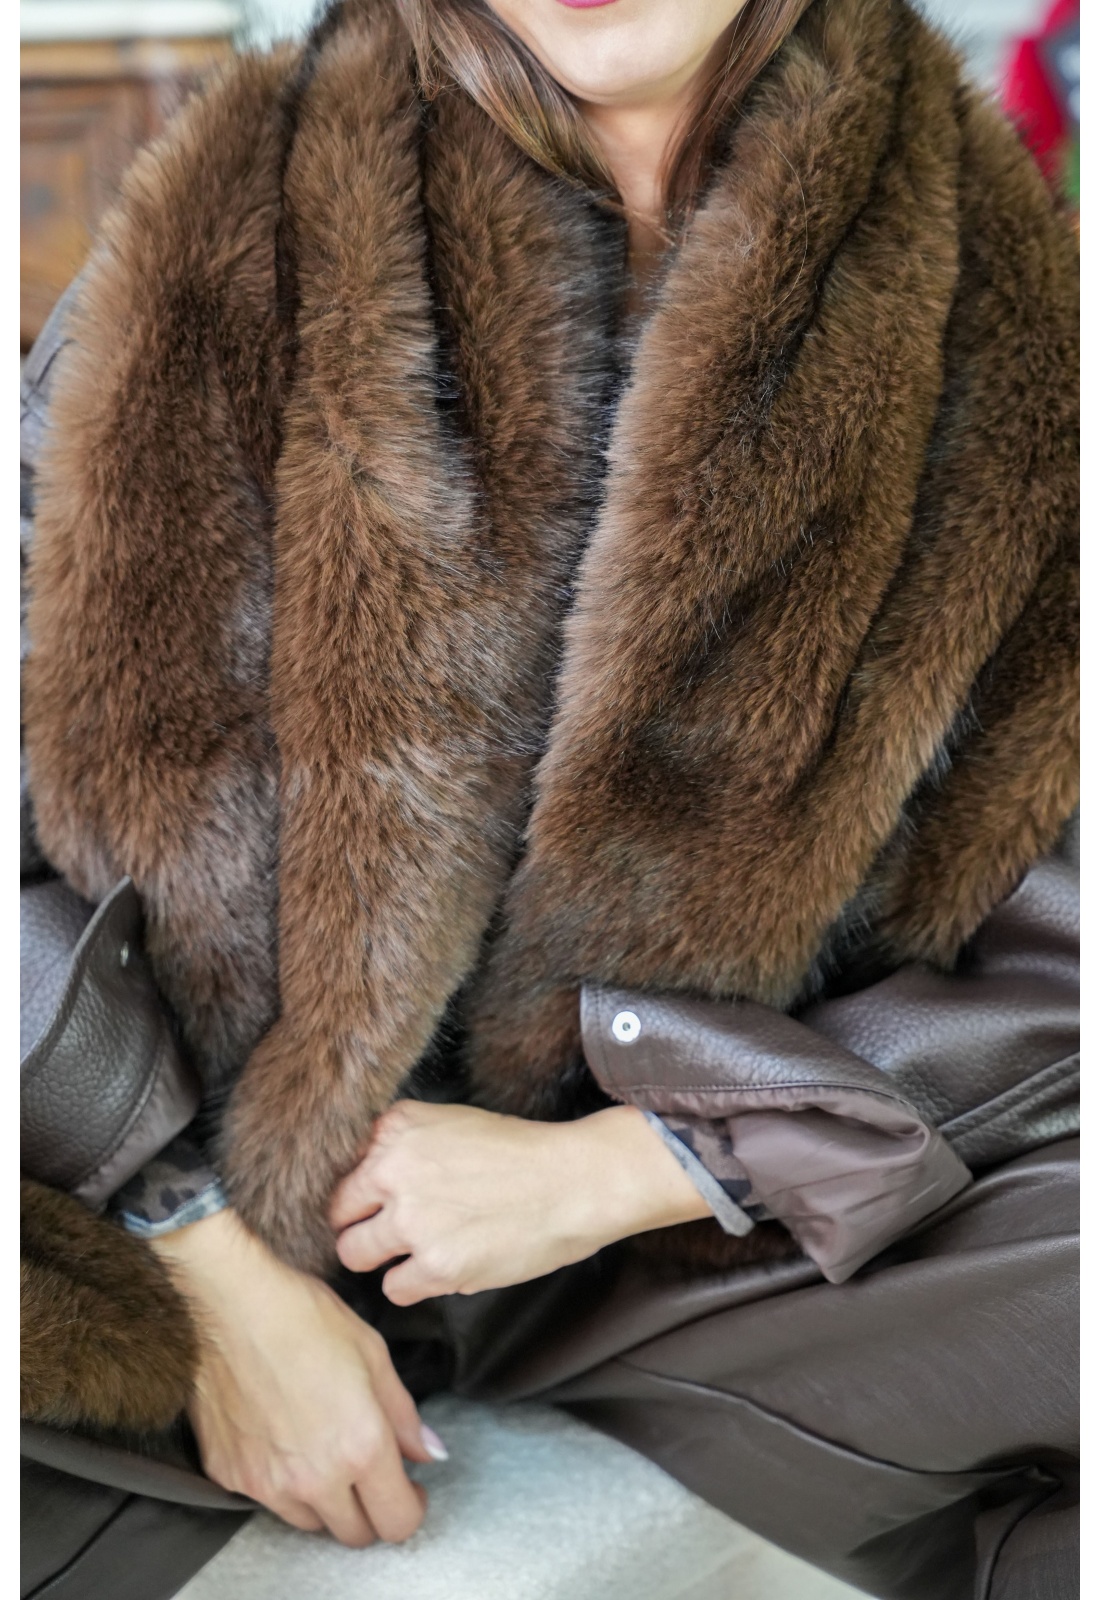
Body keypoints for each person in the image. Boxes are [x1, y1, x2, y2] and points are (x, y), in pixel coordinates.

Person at [20, 0, 1078, 1594]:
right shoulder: (222, 224)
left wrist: (628, 1172)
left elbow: (1058, 932)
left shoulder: (1010, 310)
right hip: (191, 1169)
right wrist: (198, 1257)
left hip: (699, 1250)